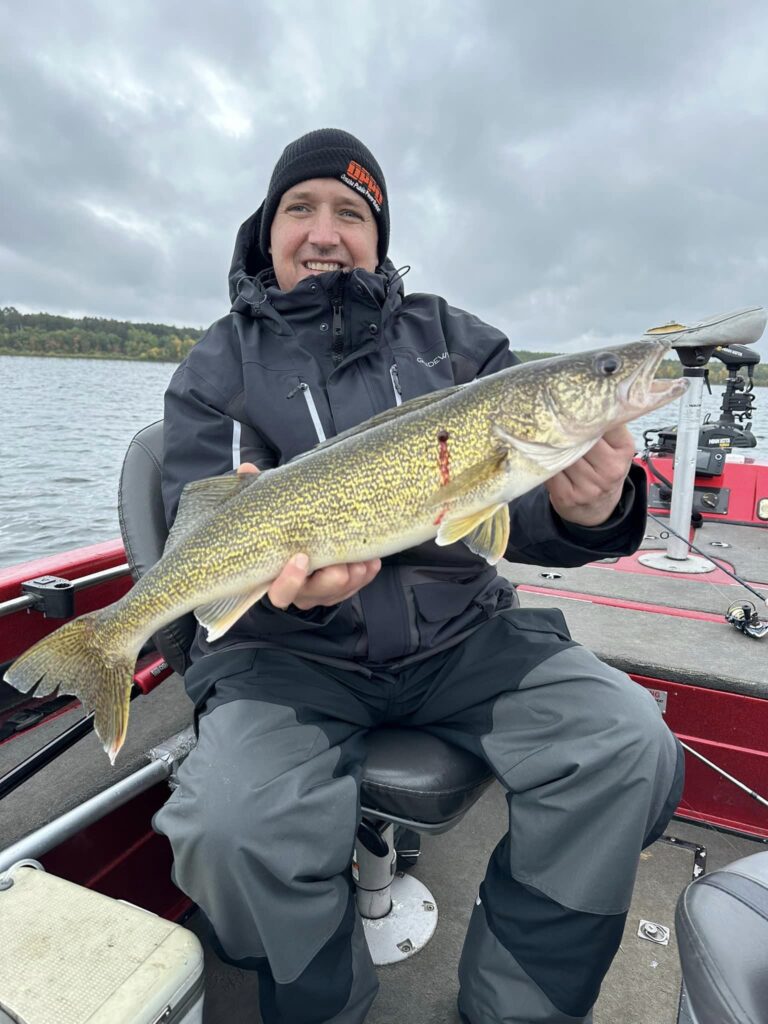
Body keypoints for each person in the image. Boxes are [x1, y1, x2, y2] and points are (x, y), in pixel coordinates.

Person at [154, 129, 684, 1024]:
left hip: (463, 635)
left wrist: (585, 511)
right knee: (228, 829)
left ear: (379, 235)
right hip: (288, 658)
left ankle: (519, 1008)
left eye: (350, 213)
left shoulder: (456, 342)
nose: (325, 231)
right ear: (267, 231)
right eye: (301, 208)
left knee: (628, 744)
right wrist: (272, 587)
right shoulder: (217, 367)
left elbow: (513, 515)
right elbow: (199, 544)